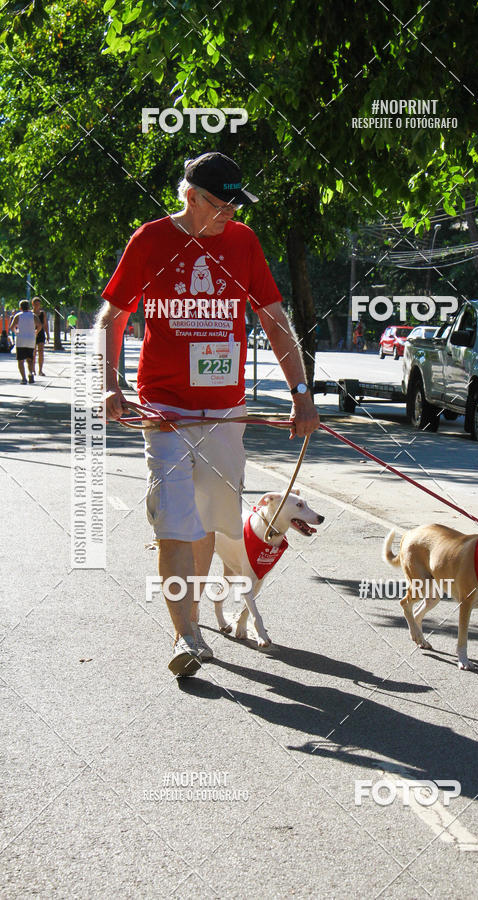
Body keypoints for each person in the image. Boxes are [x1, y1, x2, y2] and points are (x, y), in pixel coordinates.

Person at [97, 150, 320, 677]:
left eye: (238, 205)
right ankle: (186, 634)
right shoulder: (150, 240)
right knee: (175, 517)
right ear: (192, 197)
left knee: (208, 523)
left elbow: (273, 317)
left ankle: (191, 623)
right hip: (165, 407)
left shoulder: (243, 243)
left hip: (225, 411)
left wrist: (302, 393)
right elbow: (113, 315)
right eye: (223, 205)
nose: (233, 215)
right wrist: (111, 384)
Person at [9, 300, 41, 383]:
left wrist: (16, 332)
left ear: (20, 308)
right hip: (31, 339)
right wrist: (36, 332)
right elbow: (40, 325)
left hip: (21, 340)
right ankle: (30, 373)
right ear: (29, 307)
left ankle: (23, 378)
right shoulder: (33, 316)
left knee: (20, 360)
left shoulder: (18, 316)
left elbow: (12, 327)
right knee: (30, 359)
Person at [32, 297, 50, 375]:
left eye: (38, 304)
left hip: (41, 333)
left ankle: (40, 370)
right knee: (33, 353)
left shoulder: (43, 313)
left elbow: (45, 324)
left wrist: (47, 334)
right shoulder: (31, 313)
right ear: (32, 304)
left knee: (41, 352)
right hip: (32, 334)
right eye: (35, 304)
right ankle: (33, 370)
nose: (37, 306)